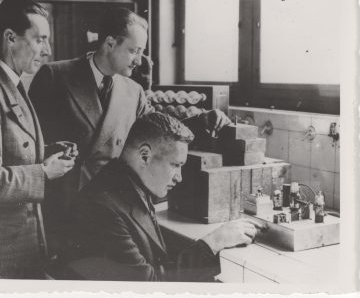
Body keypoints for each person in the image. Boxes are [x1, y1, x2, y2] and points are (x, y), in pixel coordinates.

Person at [28, 7, 231, 255]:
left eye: (142, 52)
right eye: (134, 51)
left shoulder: (133, 90)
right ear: (110, 43)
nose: (139, 60)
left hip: (111, 207)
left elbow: (158, 129)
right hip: (66, 207)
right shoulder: (55, 76)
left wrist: (203, 120)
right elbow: (32, 143)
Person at [52, 112, 262, 281]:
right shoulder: (102, 209)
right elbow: (150, 286)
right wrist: (214, 241)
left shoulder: (125, 182)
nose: (179, 177)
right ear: (144, 155)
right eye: (175, 165)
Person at [0, 0, 77, 279]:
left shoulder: (10, 83)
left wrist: (47, 151)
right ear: (10, 38)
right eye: (40, 39)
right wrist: (44, 173)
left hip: (19, 246)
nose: (47, 51)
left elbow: (11, 149)